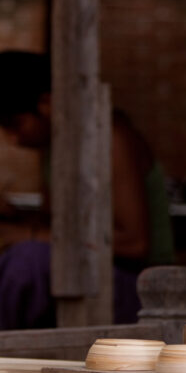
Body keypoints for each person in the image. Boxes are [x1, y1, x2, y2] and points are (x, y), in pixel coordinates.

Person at [0, 50, 174, 328]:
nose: (12, 138)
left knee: (28, 261)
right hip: (85, 276)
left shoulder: (109, 138)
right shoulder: (55, 149)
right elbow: (56, 228)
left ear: (46, 103)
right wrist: (14, 219)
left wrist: (28, 234)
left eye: (15, 124)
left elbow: (136, 243)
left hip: (139, 287)